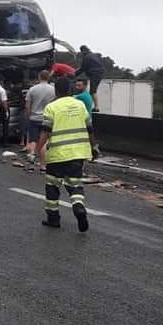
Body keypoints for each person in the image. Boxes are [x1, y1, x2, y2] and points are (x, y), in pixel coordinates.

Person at [36, 77, 94, 232]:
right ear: (70, 90)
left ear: (56, 90)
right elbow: (90, 129)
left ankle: (53, 219)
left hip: (57, 155)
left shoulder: (51, 107)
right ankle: (79, 207)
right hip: (78, 153)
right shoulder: (80, 105)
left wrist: (38, 149)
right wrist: (94, 147)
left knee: (52, 186)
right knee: (75, 185)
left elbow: (45, 131)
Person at [24, 70, 55, 158]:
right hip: (47, 118)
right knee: (44, 140)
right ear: (48, 77)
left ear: (39, 77)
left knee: (33, 140)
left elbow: (27, 106)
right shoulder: (53, 90)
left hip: (34, 118)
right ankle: (43, 159)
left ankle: (31, 155)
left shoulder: (32, 89)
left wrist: (27, 116)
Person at [75, 45, 105, 110]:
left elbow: (83, 68)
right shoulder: (94, 55)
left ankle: (96, 107)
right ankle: (94, 106)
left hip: (95, 73)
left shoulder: (86, 57)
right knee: (93, 90)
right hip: (100, 73)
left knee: (92, 91)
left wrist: (74, 74)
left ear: (83, 51)